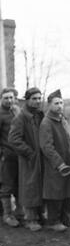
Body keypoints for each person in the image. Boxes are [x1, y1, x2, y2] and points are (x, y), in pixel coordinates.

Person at [39, 89, 70, 232]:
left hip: (68, 162)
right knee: (55, 193)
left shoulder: (62, 120)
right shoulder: (46, 123)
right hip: (55, 165)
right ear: (49, 104)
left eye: (61, 103)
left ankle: (65, 219)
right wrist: (59, 163)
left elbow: (69, 140)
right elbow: (46, 147)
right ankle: (53, 221)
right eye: (56, 103)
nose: (60, 105)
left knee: (67, 193)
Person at [9, 87, 45, 231]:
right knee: (30, 188)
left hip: (41, 158)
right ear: (27, 100)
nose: (37, 101)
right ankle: (30, 219)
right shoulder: (21, 117)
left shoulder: (40, 114)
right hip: (29, 159)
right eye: (34, 98)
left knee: (40, 186)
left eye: (39, 98)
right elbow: (13, 139)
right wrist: (29, 153)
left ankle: (39, 215)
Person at [0, 88, 21, 227]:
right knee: (7, 185)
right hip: (6, 155)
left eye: (11, 97)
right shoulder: (0, 114)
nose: (9, 100)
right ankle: (7, 214)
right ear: (2, 99)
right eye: (6, 98)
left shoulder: (17, 111)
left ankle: (20, 212)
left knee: (20, 184)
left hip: (19, 154)